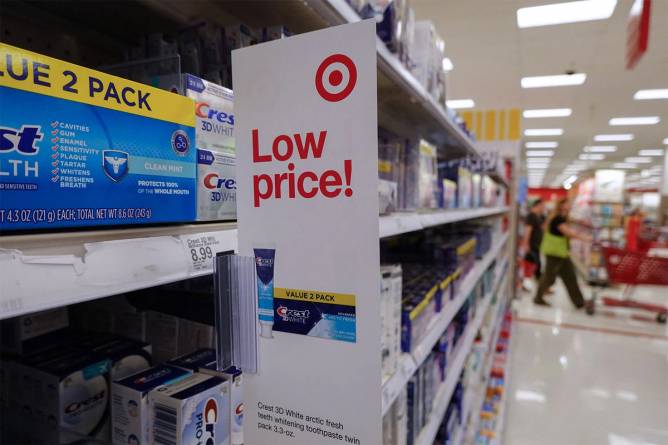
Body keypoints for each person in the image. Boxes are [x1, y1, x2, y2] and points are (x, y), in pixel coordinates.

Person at [534, 198, 591, 307]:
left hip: (561, 252)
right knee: (549, 277)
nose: (570, 206)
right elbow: (567, 233)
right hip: (555, 252)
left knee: (570, 276)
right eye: (567, 204)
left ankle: (579, 302)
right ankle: (538, 297)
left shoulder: (562, 217)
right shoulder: (558, 219)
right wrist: (584, 238)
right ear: (561, 206)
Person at [522, 199, 546, 281]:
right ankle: (538, 282)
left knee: (537, 264)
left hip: (536, 245)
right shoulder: (531, 216)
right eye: (543, 206)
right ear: (538, 205)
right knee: (536, 264)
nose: (544, 208)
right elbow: (527, 230)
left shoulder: (538, 216)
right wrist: (526, 244)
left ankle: (538, 282)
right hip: (532, 245)